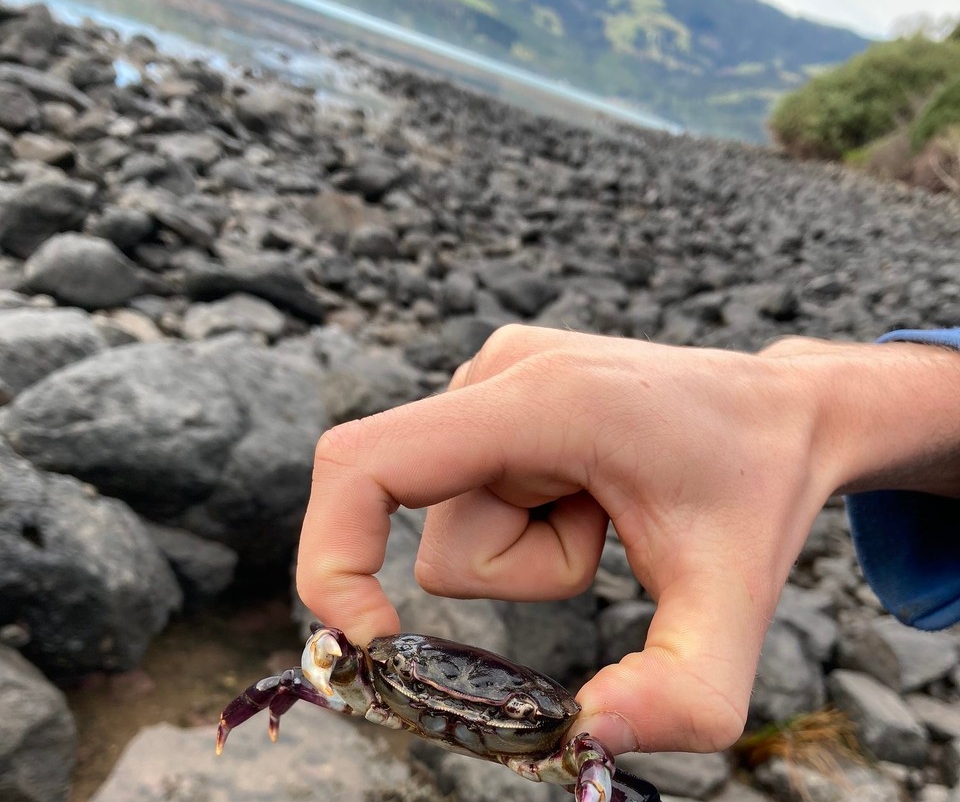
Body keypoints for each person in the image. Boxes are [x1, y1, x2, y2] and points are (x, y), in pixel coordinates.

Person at [296, 325, 960, 758]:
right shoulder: (381, 678)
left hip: (532, 733)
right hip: (414, 684)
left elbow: (604, 774)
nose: (452, 714)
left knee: (630, 795)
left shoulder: (559, 742)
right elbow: (314, 665)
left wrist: (815, 409)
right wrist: (817, 407)